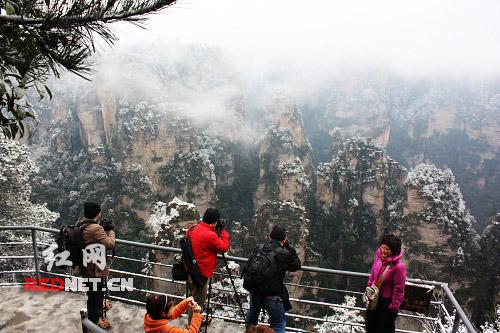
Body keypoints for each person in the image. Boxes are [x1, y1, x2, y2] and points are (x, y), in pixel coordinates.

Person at [244, 225, 301, 333]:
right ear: (283, 241)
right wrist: (289, 247)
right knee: (279, 322)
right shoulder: (284, 253)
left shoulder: (259, 247)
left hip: (255, 291)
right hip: (271, 294)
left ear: (270, 238)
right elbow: (297, 265)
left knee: (253, 314)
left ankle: (248, 331)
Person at [186, 207, 230, 324]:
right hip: (200, 274)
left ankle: (193, 324)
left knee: (191, 300)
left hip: (190, 270)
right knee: (197, 305)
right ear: (215, 222)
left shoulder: (192, 228)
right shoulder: (210, 236)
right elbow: (224, 247)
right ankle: (193, 329)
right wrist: (224, 231)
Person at [77, 201, 115, 328]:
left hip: (84, 265)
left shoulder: (80, 224)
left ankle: (98, 309)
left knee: (93, 291)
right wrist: (110, 231)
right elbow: (109, 244)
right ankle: (94, 321)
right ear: (98, 213)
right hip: (94, 269)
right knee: (95, 294)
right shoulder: (95, 229)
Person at [365, 234, 407, 333]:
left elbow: (399, 288)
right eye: (383, 247)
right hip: (374, 299)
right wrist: (368, 289)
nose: (383, 250)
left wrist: (393, 306)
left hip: (386, 302)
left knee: (385, 329)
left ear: (394, 250)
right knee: (370, 325)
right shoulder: (379, 259)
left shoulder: (399, 267)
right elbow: (372, 275)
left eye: (387, 249)